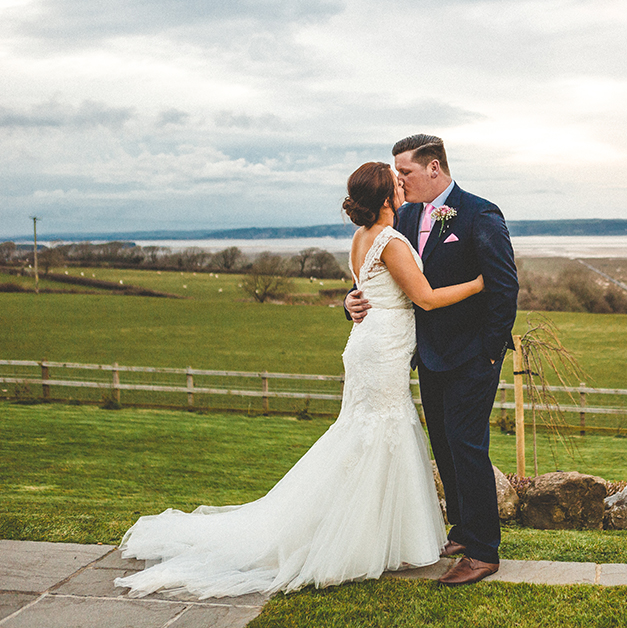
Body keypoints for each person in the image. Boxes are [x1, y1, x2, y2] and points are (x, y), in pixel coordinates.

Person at [114, 162, 484, 598]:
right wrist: (478, 284)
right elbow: (423, 297)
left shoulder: (361, 238)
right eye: (397, 183)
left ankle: (378, 536)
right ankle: (362, 540)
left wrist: (352, 301)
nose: (403, 187)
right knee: (383, 433)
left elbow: (367, 290)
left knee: (367, 434)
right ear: (387, 199)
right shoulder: (393, 241)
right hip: (381, 349)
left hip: (368, 344)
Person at [346, 134, 518, 587]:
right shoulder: (400, 216)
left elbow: (503, 287)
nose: (398, 181)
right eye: (395, 174)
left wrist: (490, 352)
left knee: (467, 444)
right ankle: (462, 529)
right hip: (425, 355)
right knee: (443, 443)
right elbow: (382, 279)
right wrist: (353, 301)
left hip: (472, 356)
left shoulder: (481, 214)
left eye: (404, 172)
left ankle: (483, 551)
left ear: (434, 169)